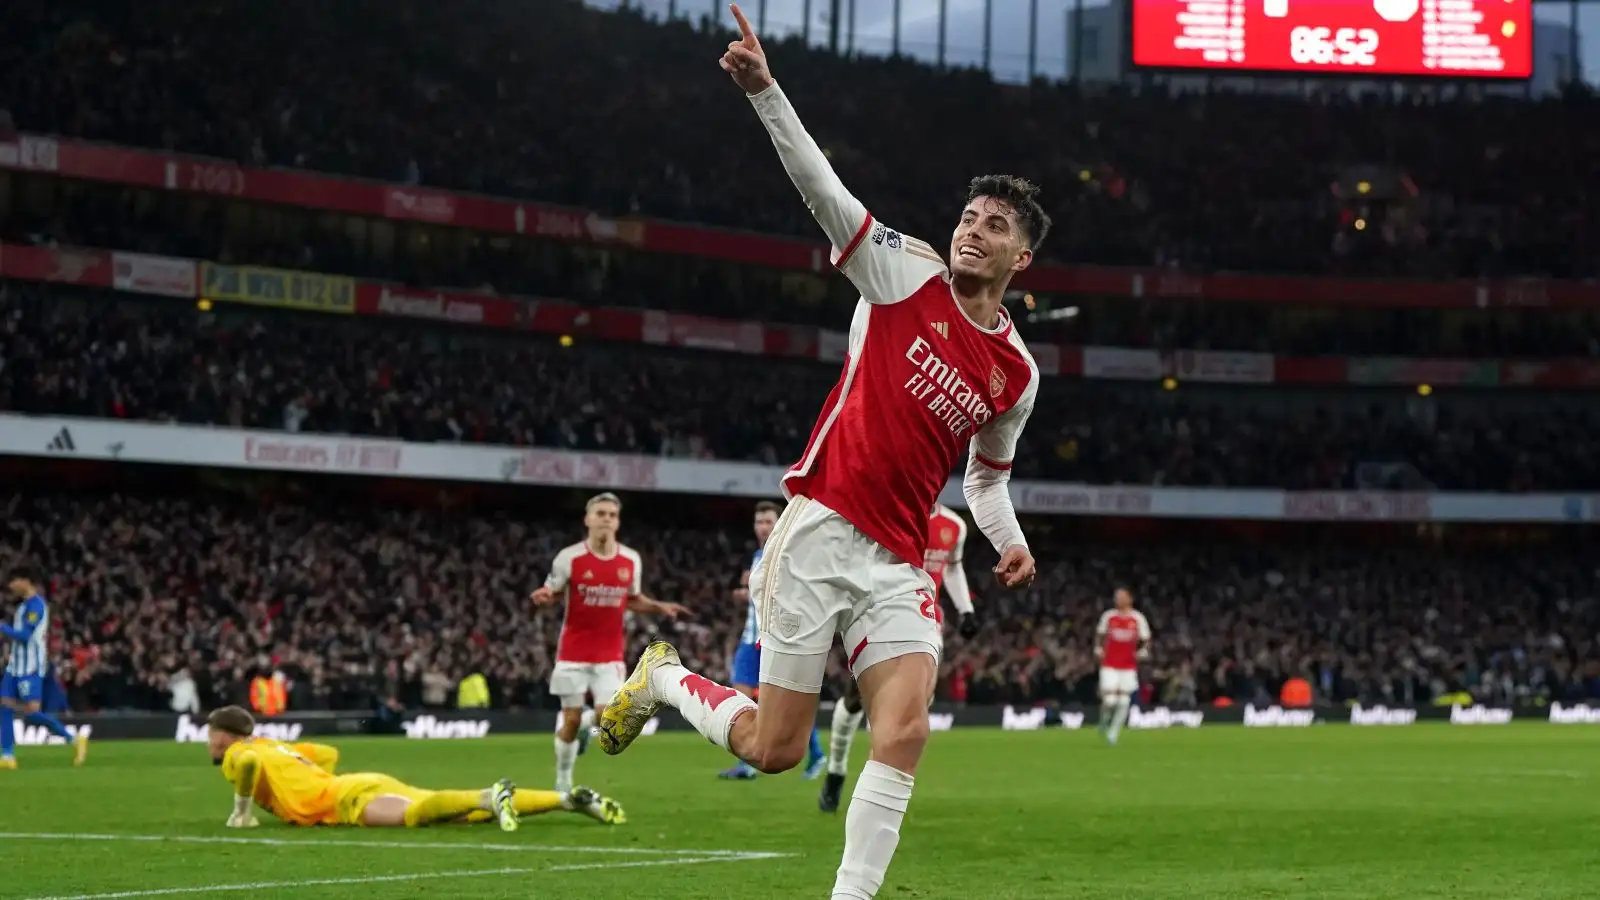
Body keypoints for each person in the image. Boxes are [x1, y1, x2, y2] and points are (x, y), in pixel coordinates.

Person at [597, 7, 1044, 898]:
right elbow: (825, 189)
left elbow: (985, 480)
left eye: (994, 224)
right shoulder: (904, 273)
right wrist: (765, 91)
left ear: (1021, 258)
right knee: (773, 748)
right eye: (968, 213)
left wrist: (1007, 536)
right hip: (819, 530)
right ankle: (667, 677)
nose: (972, 228)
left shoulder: (1017, 373)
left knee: (907, 730)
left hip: (896, 561)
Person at [204, 706, 624, 829]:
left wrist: (242, 812)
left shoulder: (242, 752)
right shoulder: (274, 744)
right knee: (461, 814)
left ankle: (488, 795)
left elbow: (247, 765)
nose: (210, 743)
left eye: (211, 736)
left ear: (224, 736)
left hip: (343, 798)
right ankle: (567, 799)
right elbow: (328, 754)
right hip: (359, 782)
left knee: (412, 817)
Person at [818, 504, 976, 812]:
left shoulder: (954, 526)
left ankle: (877, 788)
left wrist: (966, 609)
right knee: (856, 699)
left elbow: (953, 568)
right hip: (877, 614)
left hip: (926, 621)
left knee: (909, 705)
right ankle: (836, 770)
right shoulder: (891, 509)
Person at [530, 492, 688, 793]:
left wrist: (659, 607)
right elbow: (550, 593)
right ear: (588, 519)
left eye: (612, 515)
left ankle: (586, 730)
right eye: (600, 514)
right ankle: (563, 778)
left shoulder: (629, 560)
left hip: (609, 655)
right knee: (572, 722)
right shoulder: (570, 558)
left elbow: (632, 600)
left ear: (618, 522)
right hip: (572, 654)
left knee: (607, 717)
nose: (606, 519)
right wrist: (542, 599)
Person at [721, 500, 826, 780]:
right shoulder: (757, 556)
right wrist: (745, 594)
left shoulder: (790, 552)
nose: (763, 527)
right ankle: (745, 762)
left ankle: (816, 753)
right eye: (759, 522)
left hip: (776, 638)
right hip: (749, 639)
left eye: (768, 521)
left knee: (785, 705)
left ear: (780, 523)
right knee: (739, 699)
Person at [1, 568, 87, 769]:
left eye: (13, 581)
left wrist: (2, 628)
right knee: (3, 706)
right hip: (14, 666)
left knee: (32, 713)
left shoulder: (37, 606)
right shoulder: (22, 607)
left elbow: (25, 637)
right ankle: (7, 756)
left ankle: (73, 740)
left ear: (26, 581)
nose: (11, 586)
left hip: (30, 668)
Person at [1096, 587, 1151, 745]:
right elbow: (1100, 635)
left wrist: (1142, 651)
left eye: (1121, 597)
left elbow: (1146, 639)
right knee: (1110, 701)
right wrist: (1098, 648)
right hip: (1110, 664)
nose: (1117, 600)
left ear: (1129, 599)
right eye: (1116, 597)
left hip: (1128, 666)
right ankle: (1103, 722)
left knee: (1124, 702)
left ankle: (1113, 733)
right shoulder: (1109, 616)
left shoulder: (1137, 618)